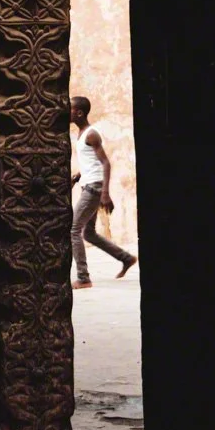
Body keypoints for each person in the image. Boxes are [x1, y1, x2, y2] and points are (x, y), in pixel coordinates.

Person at [69, 95, 137, 289]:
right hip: (89, 184)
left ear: (79, 113)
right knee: (88, 233)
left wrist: (105, 194)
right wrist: (79, 175)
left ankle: (83, 277)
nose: (68, 111)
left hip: (94, 189)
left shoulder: (91, 134)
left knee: (74, 229)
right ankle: (126, 258)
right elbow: (92, 163)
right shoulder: (82, 134)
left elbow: (105, 163)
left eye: (71, 108)